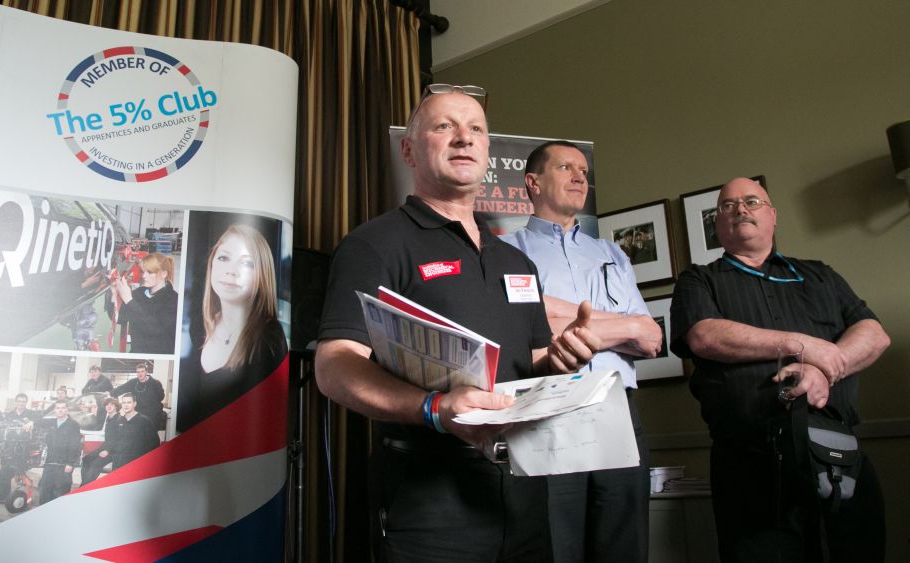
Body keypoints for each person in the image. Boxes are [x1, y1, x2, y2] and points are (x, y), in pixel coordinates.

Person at [315, 84, 600, 562]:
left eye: (475, 130)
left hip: (523, 488)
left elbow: (530, 363)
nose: (463, 138)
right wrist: (435, 408)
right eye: (444, 126)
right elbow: (334, 366)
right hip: (429, 499)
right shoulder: (375, 244)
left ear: (488, 151)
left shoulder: (515, 260)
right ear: (408, 149)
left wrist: (558, 359)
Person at [670, 177, 890, 563]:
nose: (740, 209)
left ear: (773, 215)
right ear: (717, 225)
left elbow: (874, 334)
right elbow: (705, 336)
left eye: (752, 201)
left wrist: (822, 371)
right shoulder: (698, 280)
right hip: (750, 467)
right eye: (727, 205)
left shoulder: (821, 275)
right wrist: (800, 344)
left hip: (838, 458)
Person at [500, 140, 662, 563]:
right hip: (550, 407)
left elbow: (650, 338)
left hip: (619, 409)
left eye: (584, 171)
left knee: (624, 546)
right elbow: (525, 326)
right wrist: (623, 323)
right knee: (557, 546)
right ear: (532, 183)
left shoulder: (612, 254)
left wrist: (562, 315)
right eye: (566, 167)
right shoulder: (505, 252)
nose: (579, 177)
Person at [176, 224, 287, 432]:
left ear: (262, 274)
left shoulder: (270, 338)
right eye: (223, 258)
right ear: (211, 265)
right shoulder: (200, 327)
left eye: (247, 263)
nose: (231, 271)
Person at [112, 252, 179, 354]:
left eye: (150, 272)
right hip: (136, 352)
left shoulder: (173, 300)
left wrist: (130, 301)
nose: (144, 276)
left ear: (164, 274)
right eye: (143, 272)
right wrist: (113, 295)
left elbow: (156, 330)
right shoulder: (138, 293)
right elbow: (120, 319)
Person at [27, 400, 82, 505]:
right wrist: (32, 422)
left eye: (62, 408)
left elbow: (75, 445)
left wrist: (70, 463)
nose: (60, 410)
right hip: (50, 462)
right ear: (55, 410)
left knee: (61, 491)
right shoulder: (51, 422)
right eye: (58, 408)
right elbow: (40, 421)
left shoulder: (73, 425)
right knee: (44, 489)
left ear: (67, 409)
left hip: (64, 464)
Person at [111, 394, 160, 469]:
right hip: (119, 464)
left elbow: (154, 444)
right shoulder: (119, 421)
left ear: (135, 404)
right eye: (124, 403)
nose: (126, 405)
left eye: (129, 402)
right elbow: (115, 443)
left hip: (137, 465)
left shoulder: (144, 421)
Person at [111, 363, 166, 432]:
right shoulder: (133, 382)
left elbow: (161, 397)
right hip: (138, 412)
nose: (140, 374)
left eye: (142, 371)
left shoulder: (155, 383)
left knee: (150, 435)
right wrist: (110, 393)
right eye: (138, 372)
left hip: (152, 414)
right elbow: (121, 388)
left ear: (146, 372)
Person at [79, 397, 121, 486]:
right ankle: (86, 484)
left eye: (112, 404)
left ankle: (83, 487)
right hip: (105, 447)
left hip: (114, 451)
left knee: (95, 464)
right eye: (107, 405)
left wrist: (107, 451)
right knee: (86, 459)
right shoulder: (108, 419)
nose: (109, 406)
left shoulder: (119, 419)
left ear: (116, 407)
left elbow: (118, 439)